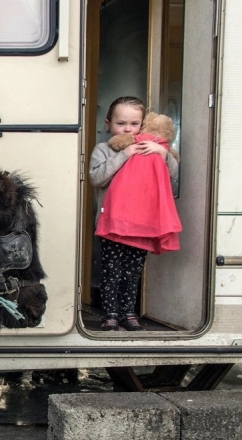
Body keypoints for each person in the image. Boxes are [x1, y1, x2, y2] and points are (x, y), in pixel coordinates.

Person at [88, 96, 179, 332]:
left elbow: (173, 174)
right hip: (112, 224)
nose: (128, 129)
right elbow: (97, 178)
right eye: (121, 123)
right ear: (108, 123)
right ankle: (109, 314)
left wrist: (162, 152)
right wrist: (124, 154)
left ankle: (128, 314)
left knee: (133, 271)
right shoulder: (104, 149)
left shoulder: (149, 148)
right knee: (111, 270)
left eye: (134, 124)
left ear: (143, 125)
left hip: (141, 224)